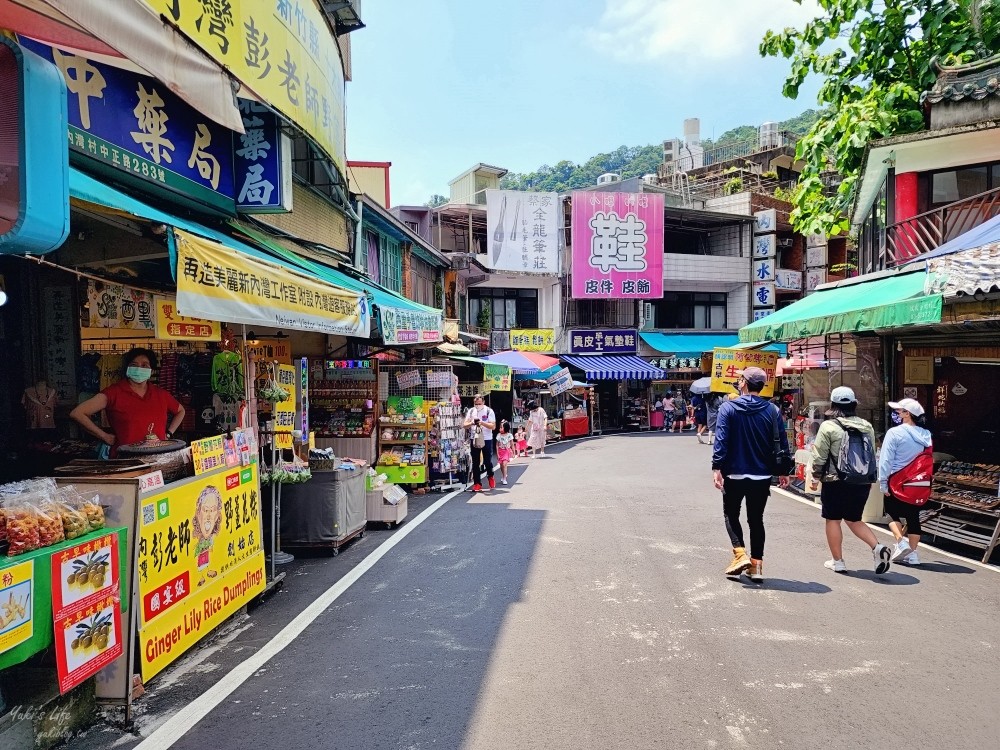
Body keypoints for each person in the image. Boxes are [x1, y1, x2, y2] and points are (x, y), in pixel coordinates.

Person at [711, 367, 792, 583]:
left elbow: (721, 441)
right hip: (761, 475)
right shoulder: (772, 410)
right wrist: (784, 471)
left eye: (740, 379)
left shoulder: (728, 409)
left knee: (731, 514)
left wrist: (717, 467)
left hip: (734, 473)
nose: (738, 382)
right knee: (756, 519)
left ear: (745, 383)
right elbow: (782, 443)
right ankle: (756, 566)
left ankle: (740, 554)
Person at [811, 387, 892, 575]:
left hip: (835, 481)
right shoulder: (867, 426)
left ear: (833, 405)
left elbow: (819, 457)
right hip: (861, 481)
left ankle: (838, 561)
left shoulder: (829, 427)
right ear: (854, 404)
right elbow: (870, 454)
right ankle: (877, 547)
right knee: (854, 519)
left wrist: (815, 478)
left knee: (833, 519)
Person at [70, 348, 185, 457]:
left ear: (151, 369)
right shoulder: (114, 393)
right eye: (134, 365)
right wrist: (104, 436)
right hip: (125, 460)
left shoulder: (161, 394)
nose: (139, 368)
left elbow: (181, 411)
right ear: (127, 368)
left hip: (159, 458)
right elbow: (77, 413)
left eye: (144, 365)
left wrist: (169, 433)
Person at [879, 398, 933, 565]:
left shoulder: (894, 433)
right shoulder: (926, 435)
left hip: (896, 480)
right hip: (917, 482)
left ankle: (901, 543)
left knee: (892, 513)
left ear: (907, 414)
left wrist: (883, 481)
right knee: (913, 516)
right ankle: (913, 554)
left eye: (900, 410)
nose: (897, 413)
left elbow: (886, 460)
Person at [464, 395, 497, 491]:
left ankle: (490, 475)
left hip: (486, 438)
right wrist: (472, 423)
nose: (478, 405)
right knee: (475, 462)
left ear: (483, 402)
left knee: (487, 461)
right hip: (474, 438)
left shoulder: (488, 411)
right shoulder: (471, 411)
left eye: (479, 403)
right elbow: (465, 425)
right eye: (476, 404)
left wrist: (482, 423)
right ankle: (477, 483)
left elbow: (493, 426)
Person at [495, 420, 514, 485]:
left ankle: (504, 479)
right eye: (500, 427)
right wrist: (497, 453)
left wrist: (514, 452)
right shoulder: (498, 435)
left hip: (506, 451)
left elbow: (512, 444)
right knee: (501, 465)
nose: (500, 429)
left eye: (501, 427)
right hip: (500, 451)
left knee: (504, 464)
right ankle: (504, 475)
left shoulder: (509, 435)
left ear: (505, 428)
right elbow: (497, 445)